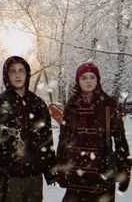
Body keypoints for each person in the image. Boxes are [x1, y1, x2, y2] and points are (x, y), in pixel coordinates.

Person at [0, 56, 56, 202]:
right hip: (6, 179)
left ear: (27, 74)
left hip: (33, 178)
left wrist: (50, 169)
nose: (17, 75)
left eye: (21, 70)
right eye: (12, 71)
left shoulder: (38, 104)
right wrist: (0, 150)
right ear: (7, 75)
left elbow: (46, 140)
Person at [56, 62, 131, 202]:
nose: (88, 81)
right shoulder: (71, 105)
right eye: (84, 77)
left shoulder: (109, 105)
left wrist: (125, 171)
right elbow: (64, 139)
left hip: (102, 173)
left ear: (98, 80)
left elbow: (120, 140)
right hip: (76, 172)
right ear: (78, 81)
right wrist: (61, 168)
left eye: (92, 77)